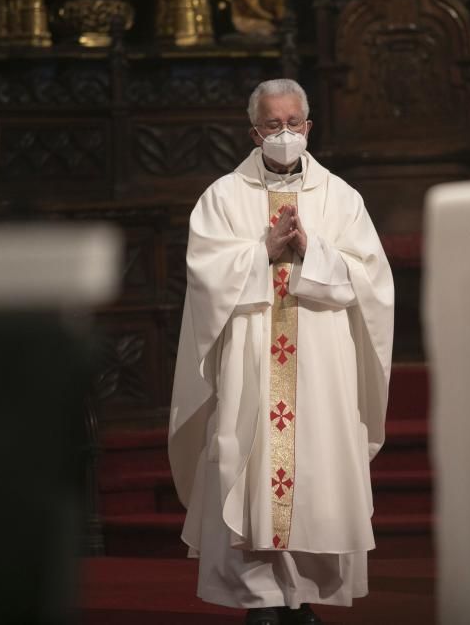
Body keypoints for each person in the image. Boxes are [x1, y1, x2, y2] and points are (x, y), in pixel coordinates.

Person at [168, 78, 394, 625]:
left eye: (294, 123)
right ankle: (259, 598)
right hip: (251, 360)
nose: (285, 133)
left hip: (319, 360)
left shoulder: (340, 198)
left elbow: (372, 282)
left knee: (315, 470)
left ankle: (302, 595)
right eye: (273, 124)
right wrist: (260, 251)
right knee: (248, 467)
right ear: (255, 131)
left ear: (309, 127)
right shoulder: (223, 197)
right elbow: (203, 275)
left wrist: (312, 251)